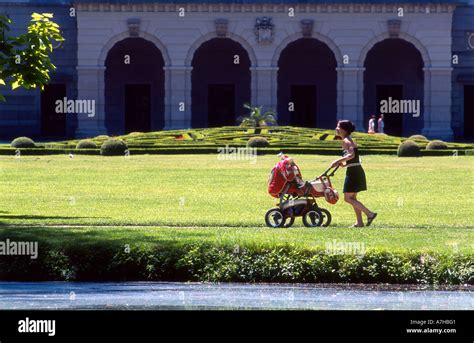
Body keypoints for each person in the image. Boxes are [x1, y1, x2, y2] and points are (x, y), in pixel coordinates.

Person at [331, 120, 377, 227]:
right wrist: (345, 164)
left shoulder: (347, 141)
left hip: (354, 173)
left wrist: (337, 161)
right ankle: (359, 222)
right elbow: (354, 158)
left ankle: (370, 214)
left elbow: (351, 155)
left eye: (338, 127)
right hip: (354, 170)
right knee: (353, 198)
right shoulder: (348, 140)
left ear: (344, 130)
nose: (336, 128)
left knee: (348, 198)